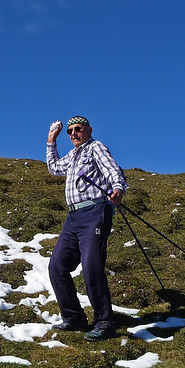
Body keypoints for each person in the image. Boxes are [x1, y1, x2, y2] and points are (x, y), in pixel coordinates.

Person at [45, 116, 127, 341]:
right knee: (57, 266)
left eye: (78, 129)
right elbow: (53, 168)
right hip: (73, 217)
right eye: (70, 131)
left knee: (91, 266)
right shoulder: (72, 155)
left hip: (94, 212)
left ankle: (104, 321)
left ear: (88, 130)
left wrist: (118, 189)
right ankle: (74, 318)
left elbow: (112, 170)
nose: (73, 133)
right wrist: (52, 139)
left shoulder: (95, 147)